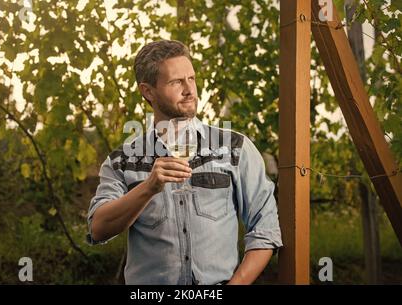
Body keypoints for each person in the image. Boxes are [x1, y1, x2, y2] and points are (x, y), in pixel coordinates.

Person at [87, 40, 282, 285]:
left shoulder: (235, 148)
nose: (190, 90)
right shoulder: (123, 161)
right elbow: (98, 229)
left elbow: (266, 228)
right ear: (148, 91)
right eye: (177, 82)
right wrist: (148, 188)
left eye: (192, 78)